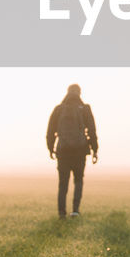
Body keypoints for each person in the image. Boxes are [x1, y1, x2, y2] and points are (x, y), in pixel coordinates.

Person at [46, 83, 98, 218]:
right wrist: (95, 149)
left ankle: (61, 213)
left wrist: (50, 148)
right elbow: (92, 131)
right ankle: (75, 210)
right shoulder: (85, 109)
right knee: (78, 180)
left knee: (63, 182)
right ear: (79, 93)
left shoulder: (59, 109)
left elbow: (50, 131)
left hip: (63, 151)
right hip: (80, 150)